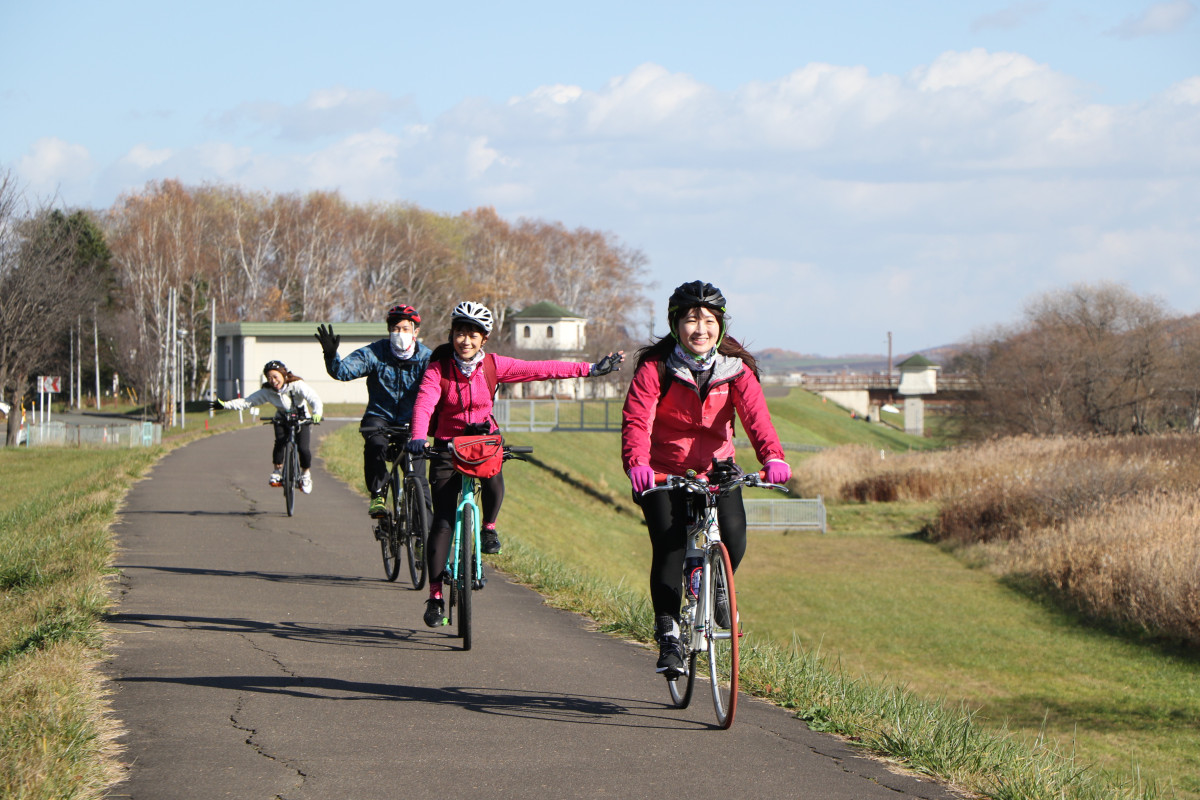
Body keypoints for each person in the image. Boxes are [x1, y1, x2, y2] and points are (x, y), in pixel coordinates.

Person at [405, 300, 624, 627]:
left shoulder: (493, 365)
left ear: (484, 339)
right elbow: (424, 403)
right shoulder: (438, 369)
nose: (465, 340)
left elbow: (542, 369)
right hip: (448, 447)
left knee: (494, 478)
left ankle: (489, 527)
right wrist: (419, 437)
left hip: (484, 442)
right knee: (443, 522)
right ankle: (435, 596)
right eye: (460, 333)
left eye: (473, 334)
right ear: (451, 335)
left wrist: (591, 369)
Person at [620, 280, 791, 675]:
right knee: (669, 548)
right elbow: (636, 421)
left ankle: (716, 585)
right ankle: (668, 636)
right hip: (664, 472)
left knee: (734, 538)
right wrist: (638, 465)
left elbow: (757, 420)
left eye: (710, 320)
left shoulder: (736, 370)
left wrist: (773, 457)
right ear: (676, 324)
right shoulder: (656, 368)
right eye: (692, 319)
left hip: (717, 470)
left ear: (721, 325)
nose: (701, 328)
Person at [315, 305, 433, 518]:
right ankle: (378, 493)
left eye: (406, 329)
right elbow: (343, 371)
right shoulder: (375, 352)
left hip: (412, 420)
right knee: (375, 445)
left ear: (415, 332)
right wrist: (330, 354)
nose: (400, 334)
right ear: (389, 330)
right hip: (379, 416)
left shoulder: (427, 358)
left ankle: (424, 527)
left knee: (417, 472)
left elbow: (440, 387)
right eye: (395, 329)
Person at [213, 360, 324, 493]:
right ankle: (277, 471)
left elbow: (314, 398)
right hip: (282, 418)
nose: (273, 381)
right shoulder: (267, 391)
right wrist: (225, 405)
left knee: (303, 448)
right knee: (279, 443)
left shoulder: (297, 385)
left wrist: (317, 413)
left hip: (302, 418)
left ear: (283, 375)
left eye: (275, 377)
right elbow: (248, 402)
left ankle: (305, 475)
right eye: (269, 378)